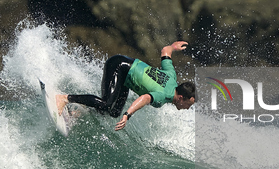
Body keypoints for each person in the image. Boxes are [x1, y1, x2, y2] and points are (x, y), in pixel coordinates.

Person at [55, 41, 195, 131]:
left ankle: (77, 112)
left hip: (125, 73)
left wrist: (174, 47)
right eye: (188, 104)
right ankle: (65, 98)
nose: (187, 108)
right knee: (106, 103)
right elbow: (146, 98)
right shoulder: (165, 96)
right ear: (181, 98)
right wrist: (128, 115)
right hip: (118, 66)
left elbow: (165, 50)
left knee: (114, 112)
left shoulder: (171, 75)